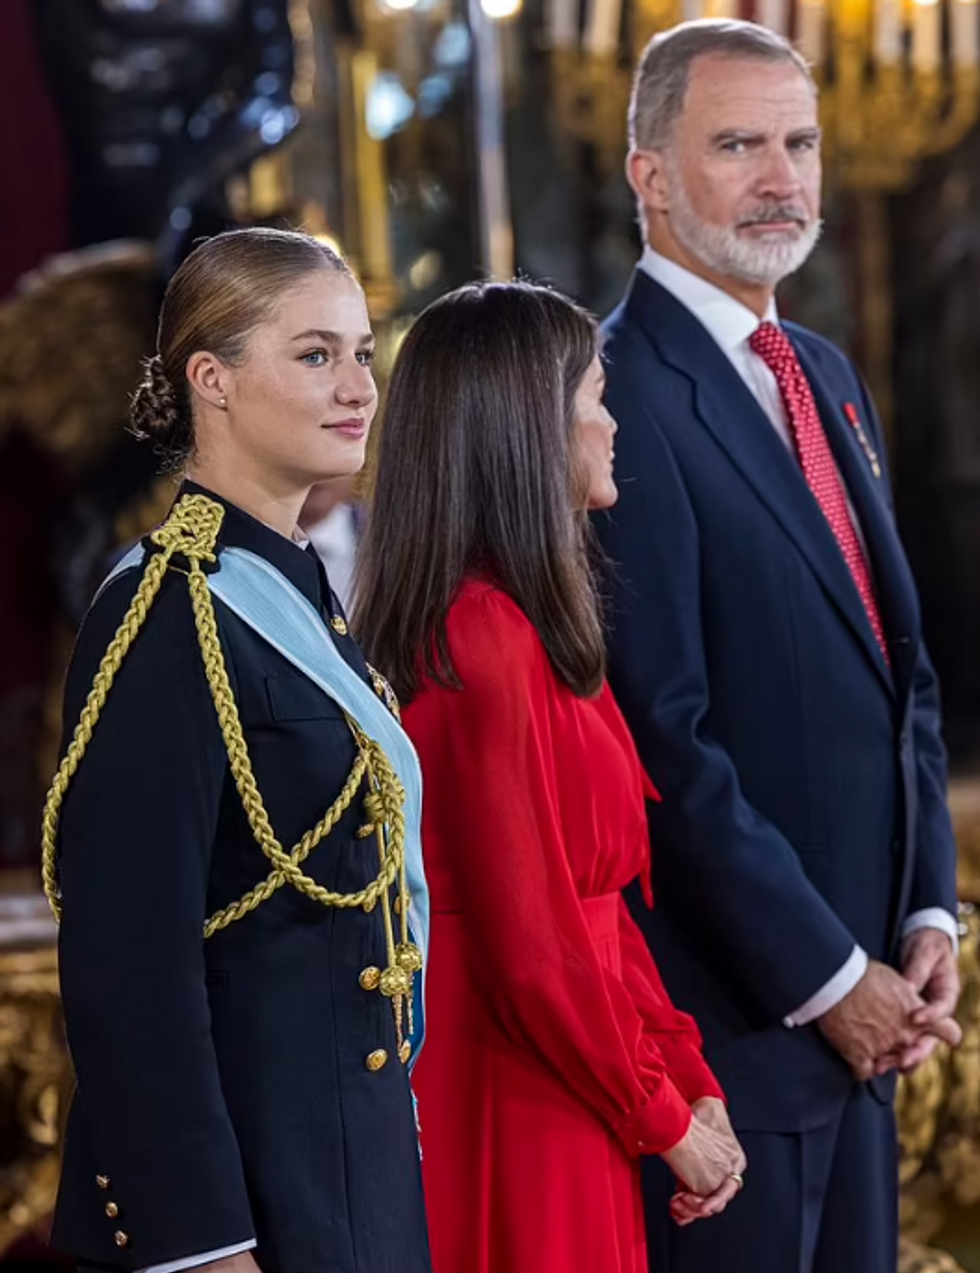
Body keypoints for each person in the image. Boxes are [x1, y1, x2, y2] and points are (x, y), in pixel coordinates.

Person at [597, 20, 962, 1273]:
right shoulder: (613, 396)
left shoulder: (821, 370)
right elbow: (664, 744)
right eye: (737, 144)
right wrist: (826, 975)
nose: (782, 178)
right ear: (647, 173)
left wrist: (925, 911)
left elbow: (895, 671)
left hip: (868, 1019)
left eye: (797, 143)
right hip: (733, 1049)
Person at [39, 227, 431, 1273]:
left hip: (354, 1169)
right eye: (314, 355)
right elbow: (129, 970)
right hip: (252, 1204)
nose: (358, 385)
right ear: (209, 379)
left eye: (361, 350)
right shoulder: (164, 616)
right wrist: (204, 1248)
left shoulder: (303, 591)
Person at [354, 280, 746, 1273]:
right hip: (513, 1086)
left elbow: (598, 910)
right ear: (525, 429)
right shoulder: (480, 635)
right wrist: (660, 1115)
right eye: (594, 398)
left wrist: (683, 1076)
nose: (611, 423)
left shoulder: (523, 628)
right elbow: (533, 951)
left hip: (570, 1070)